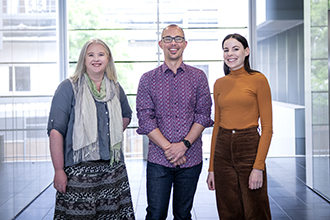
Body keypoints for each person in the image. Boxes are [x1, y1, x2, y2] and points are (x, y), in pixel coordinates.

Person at [47, 39, 135, 220]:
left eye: (101, 54)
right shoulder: (68, 87)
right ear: (83, 59)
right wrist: (58, 170)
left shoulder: (115, 88)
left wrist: (109, 136)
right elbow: (56, 132)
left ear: (108, 59)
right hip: (79, 174)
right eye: (91, 54)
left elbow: (126, 115)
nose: (96, 59)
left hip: (112, 171)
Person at [136, 24, 213, 220]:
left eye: (178, 39)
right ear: (161, 44)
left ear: (185, 44)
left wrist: (184, 145)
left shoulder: (198, 77)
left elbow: (203, 115)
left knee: (183, 215)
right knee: (155, 214)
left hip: (191, 159)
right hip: (158, 160)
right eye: (168, 39)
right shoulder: (147, 79)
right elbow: (145, 119)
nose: (173, 43)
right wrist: (171, 149)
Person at [207, 33, 273, 220]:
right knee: (228, 210)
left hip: (249, 146)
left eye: (235, 49)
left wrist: (258, 167)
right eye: (226, 50)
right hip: (222, 150)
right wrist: (212, 167)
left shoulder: (258, 80)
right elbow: (217, 127)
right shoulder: (219, 83)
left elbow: (267, 128)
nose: (230, 54)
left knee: (256, 209)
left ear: (246, 51)